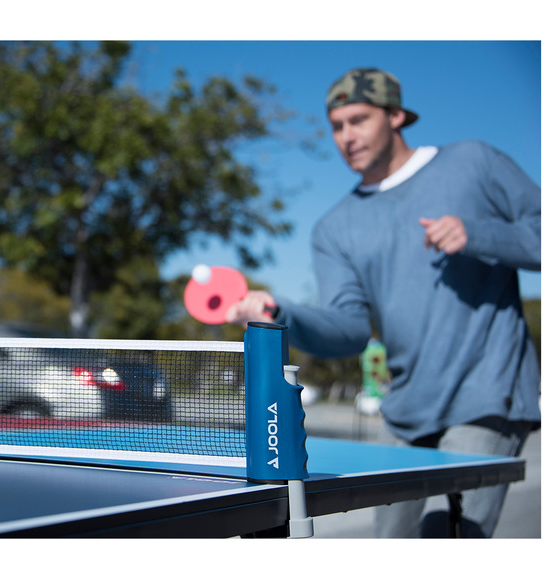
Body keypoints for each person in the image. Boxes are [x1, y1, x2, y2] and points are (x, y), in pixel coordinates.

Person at [226, 68, 541, 538]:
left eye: (358, 120)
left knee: (447, 544)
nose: (346, 136)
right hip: (406, 408)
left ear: (395, 116)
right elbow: (350, 330)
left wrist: (478, 234)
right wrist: (281, 313)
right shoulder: (334, 228)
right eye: (337, 126)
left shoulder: (474, 162)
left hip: (486, 395)